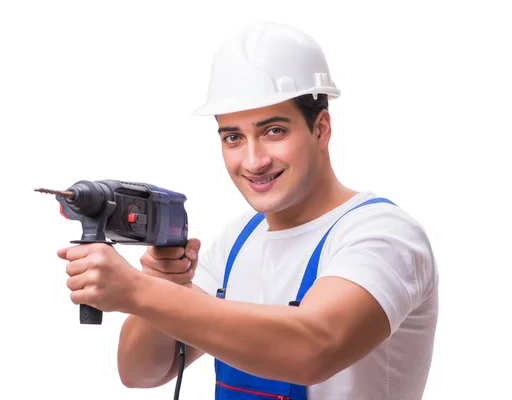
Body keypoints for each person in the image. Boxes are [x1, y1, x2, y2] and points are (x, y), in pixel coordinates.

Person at [57, 22, 439, 400]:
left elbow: (312, 347)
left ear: (320, 128)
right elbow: (141, 372)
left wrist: (138, 292)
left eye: (274, 131)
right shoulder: (237, 242)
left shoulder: (383, 235)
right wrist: (161, 284)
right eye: (234, 138)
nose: (253, 161)